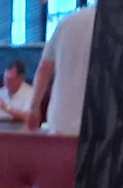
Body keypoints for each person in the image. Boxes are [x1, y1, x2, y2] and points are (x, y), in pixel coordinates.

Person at [30, 1, 96, 139]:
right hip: (99, 123)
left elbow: (44, 69)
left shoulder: (66, 22)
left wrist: (34, 107)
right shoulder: (121, 28)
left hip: (60, 120)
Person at [0, 61, 36, 125]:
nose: (6, 82)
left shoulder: (30, 92)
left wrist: (7, 108)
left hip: (18, 127)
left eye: (10, 79)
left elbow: (28, 117)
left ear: (21, 78)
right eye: (5, 78)